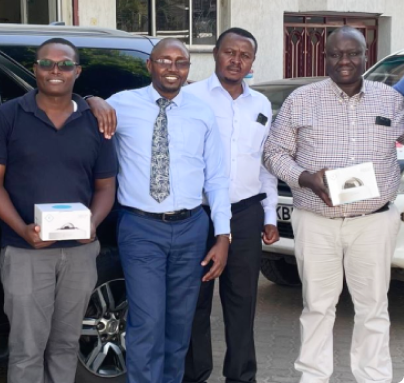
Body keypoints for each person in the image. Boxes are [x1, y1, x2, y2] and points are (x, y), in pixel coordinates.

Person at [263, 26, 404, 383]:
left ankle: (374, 377)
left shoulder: (390, 100)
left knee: (373, 308)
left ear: (365, 56)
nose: (345, 61)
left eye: (352, 53)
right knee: (318, 307)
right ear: (325, 57)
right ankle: (313, 377)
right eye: (336, 54)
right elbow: (273, 152)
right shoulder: (302, 99)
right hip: (316, 220)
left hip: (373, 222)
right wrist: (306, 178)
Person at [87, 37, 232, 383]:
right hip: (140, 228)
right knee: (147, 319)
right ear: (149, 65)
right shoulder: (122, 104)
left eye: (180, 62)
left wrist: (223, 235)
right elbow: (81, 117)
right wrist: (91, 100)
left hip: (191, 227)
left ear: (188, 69)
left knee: (180, 322)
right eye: (164, 61)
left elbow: (217, 177)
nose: (172, 68)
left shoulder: (201, 112)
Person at [0, 38, 118, 383]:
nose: (56, 71)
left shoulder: (96, 123)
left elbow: (105, 186)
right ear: (34, 69)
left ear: (77, 71)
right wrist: (21, 227)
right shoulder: (7, 117)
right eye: (46, 64)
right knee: (27, 348)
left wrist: (92, 224)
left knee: (66, 344)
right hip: (26, 250)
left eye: (65, 64)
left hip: (80, 253)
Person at [182, 28, 279, 383]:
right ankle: (193, 375)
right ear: (215, 53)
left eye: (245, 55)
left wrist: (269, 215)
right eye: (229, 52)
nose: (236, 60)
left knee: (242, 303)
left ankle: (241, 376)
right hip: (199, 215)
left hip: (245, 213)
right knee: (195, 301)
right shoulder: (190, 97)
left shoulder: (261, 105)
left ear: (252, 61)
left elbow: (264, 163)